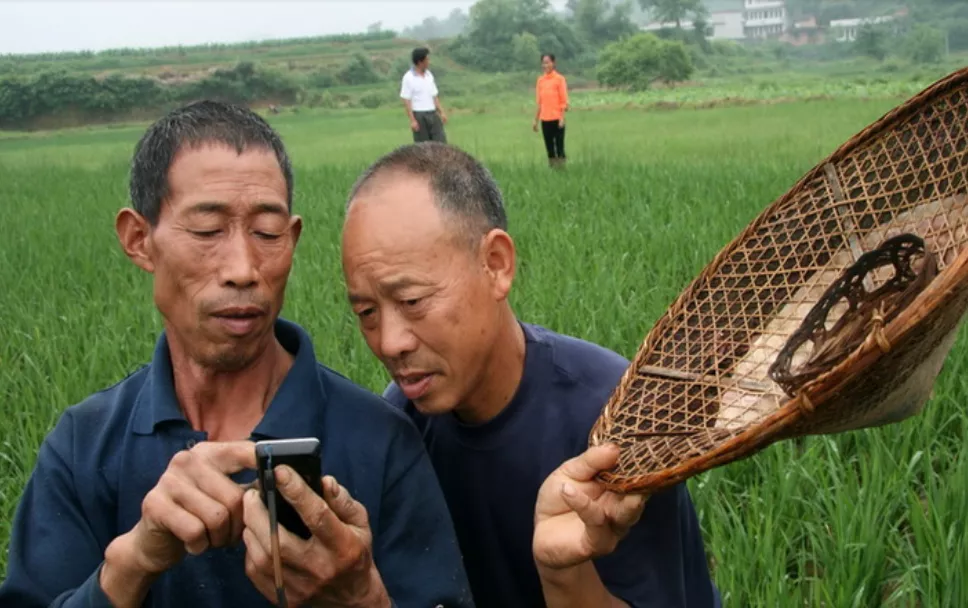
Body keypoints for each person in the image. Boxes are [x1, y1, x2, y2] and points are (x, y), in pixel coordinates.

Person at [0, 101, 474, 608]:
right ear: (139, 240)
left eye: (267, 234)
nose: (244, 269)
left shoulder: (380, 442)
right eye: (207, 231)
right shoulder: (85, 447)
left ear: (291, 241)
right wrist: (133, 562)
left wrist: (360, 597)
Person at [340, 142, 722, 607]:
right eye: (365, 311)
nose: (389, 342)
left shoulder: (613, 419)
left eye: (412, 301)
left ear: (495, 264)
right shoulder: (401, 430)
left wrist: (565, 575)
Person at [400, 47, 448, 143]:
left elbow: (434, 96)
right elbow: (406, 101)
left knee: (441, 143)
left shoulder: (429, 75)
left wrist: (441, 112)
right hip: (419, 115)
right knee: (423, 147)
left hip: (433, 114)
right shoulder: (408, 77)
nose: (429, 61)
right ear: (420, 61)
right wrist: (413, 120)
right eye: (427, 59)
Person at [533, 53, 568, 168]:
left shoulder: (559, 79)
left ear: (553, 63)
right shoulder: (540, 81)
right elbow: (539, 102)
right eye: (543, 62)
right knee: (549, 148)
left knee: (559, 146)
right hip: (545, 119)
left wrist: (562, 118)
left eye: (547, 62)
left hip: (557, 119)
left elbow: (564, 100)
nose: (545, 65)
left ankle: (562, 168)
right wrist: (535, 121)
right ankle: (553, 168)